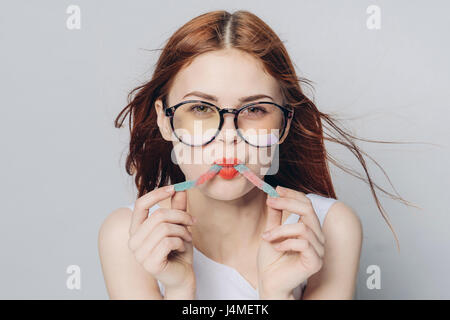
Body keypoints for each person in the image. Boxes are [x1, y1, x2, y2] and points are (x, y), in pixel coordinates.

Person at [98, 10, 365, 300]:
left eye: (255, 110)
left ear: (284, 124)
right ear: (165, 120)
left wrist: (275, 293)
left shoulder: (332, 228)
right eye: (200, 108)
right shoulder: (126, 238)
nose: (229, 136)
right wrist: (178, 289)